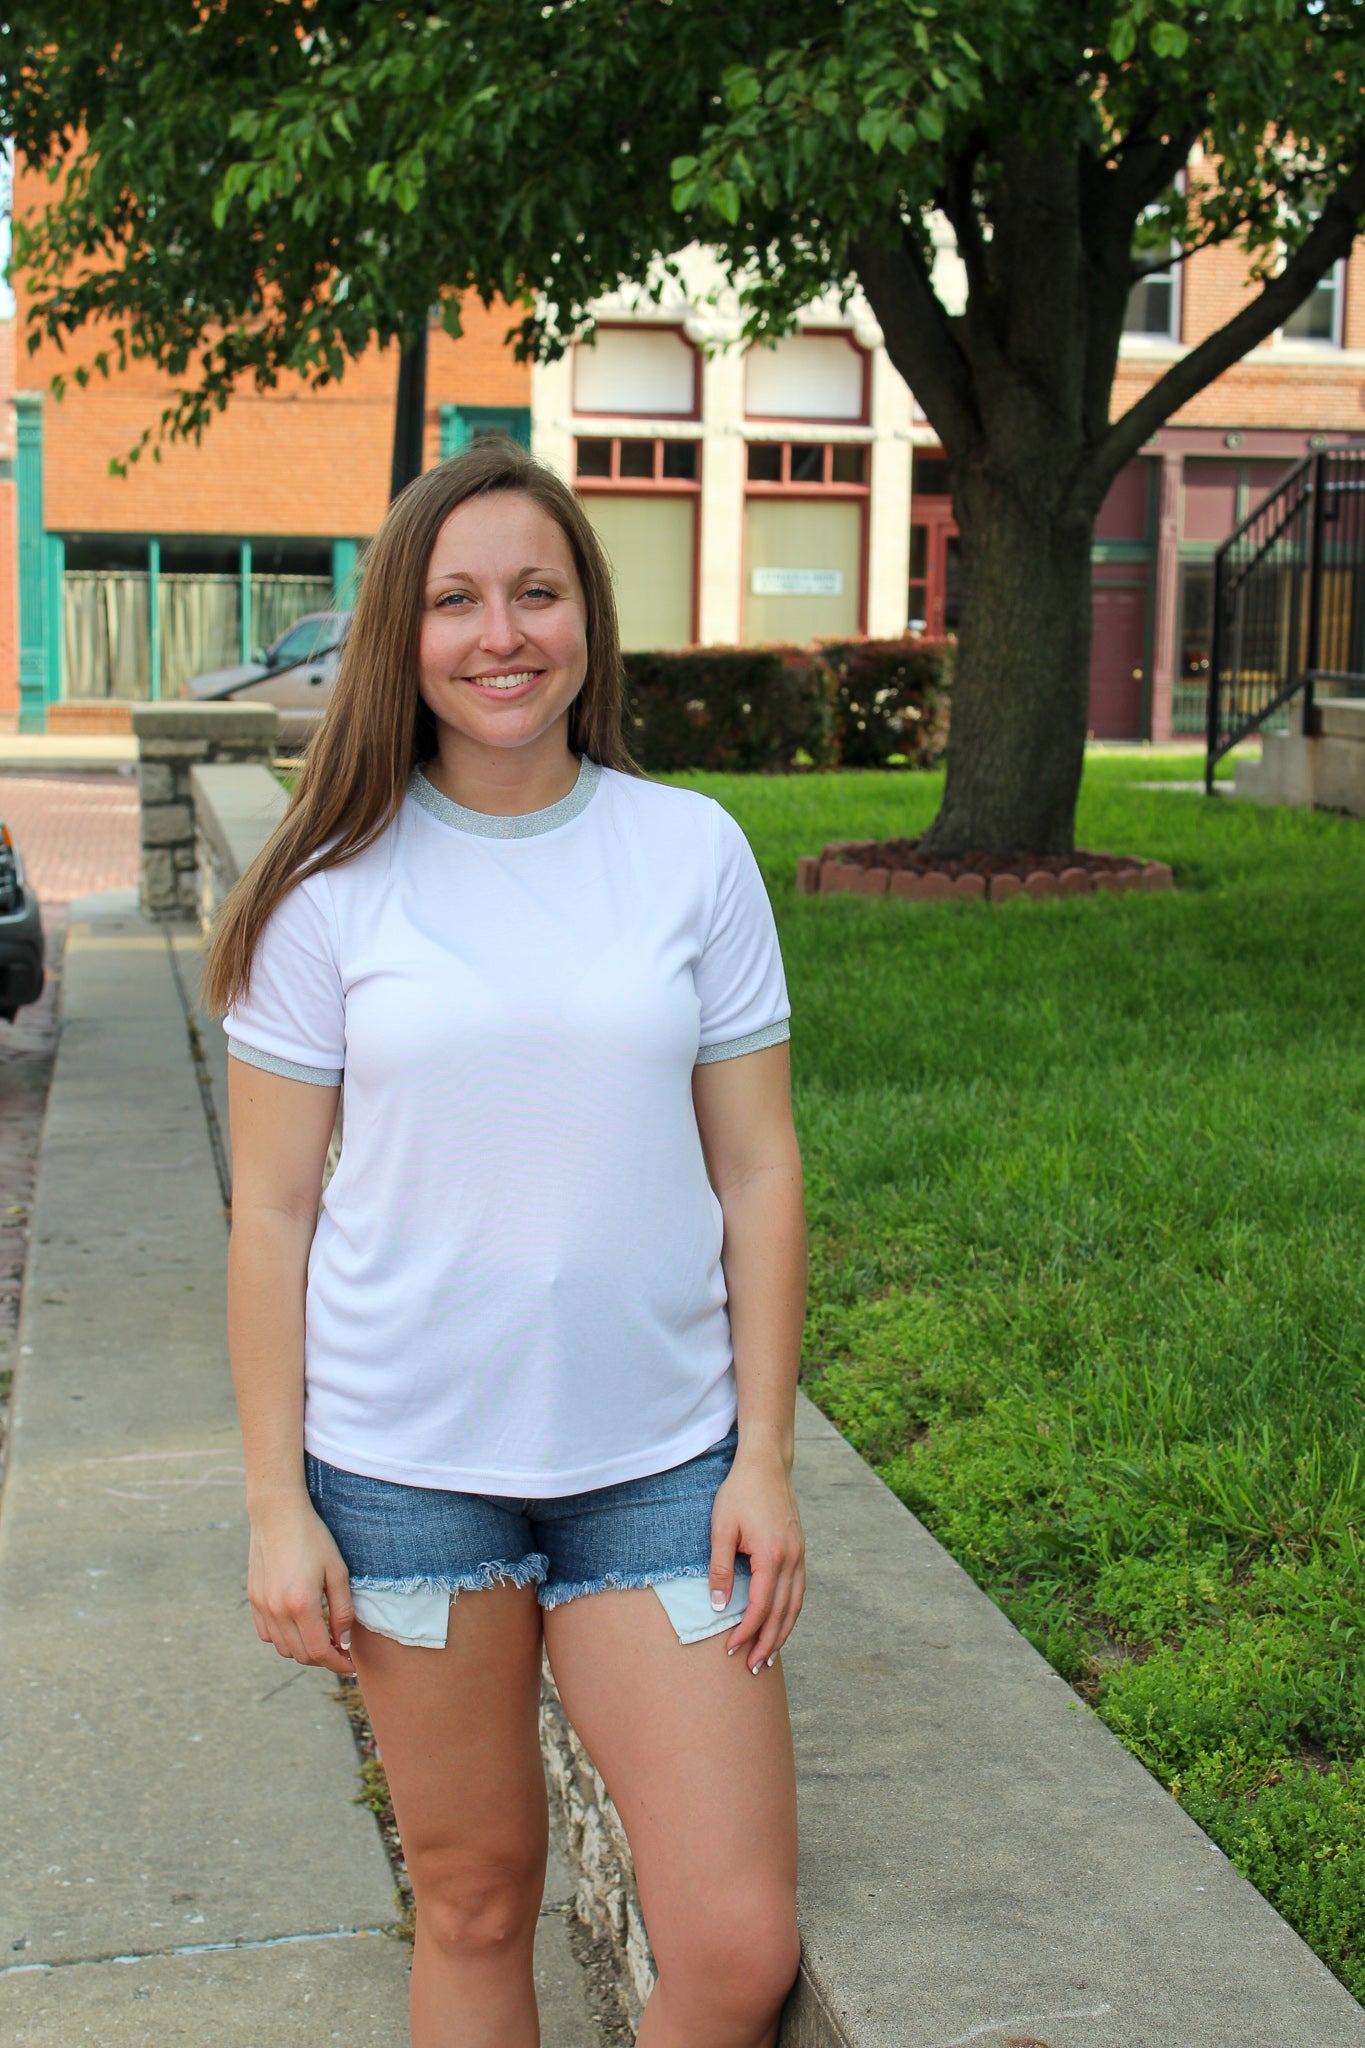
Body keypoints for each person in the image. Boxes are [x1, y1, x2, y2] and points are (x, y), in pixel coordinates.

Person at [204, 439, 807, 2048]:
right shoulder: (331, 889)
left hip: (662, 1469)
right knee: (473, 1904)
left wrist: (764, 1458)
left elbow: (757, 1172)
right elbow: (269, 1212)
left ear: (587, 621)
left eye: (536, 592)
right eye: (458, 600)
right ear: (403, 633)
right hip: (404, 1476)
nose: (502, 634)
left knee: (737, 1950)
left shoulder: (689, 853)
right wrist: (279, 1508)